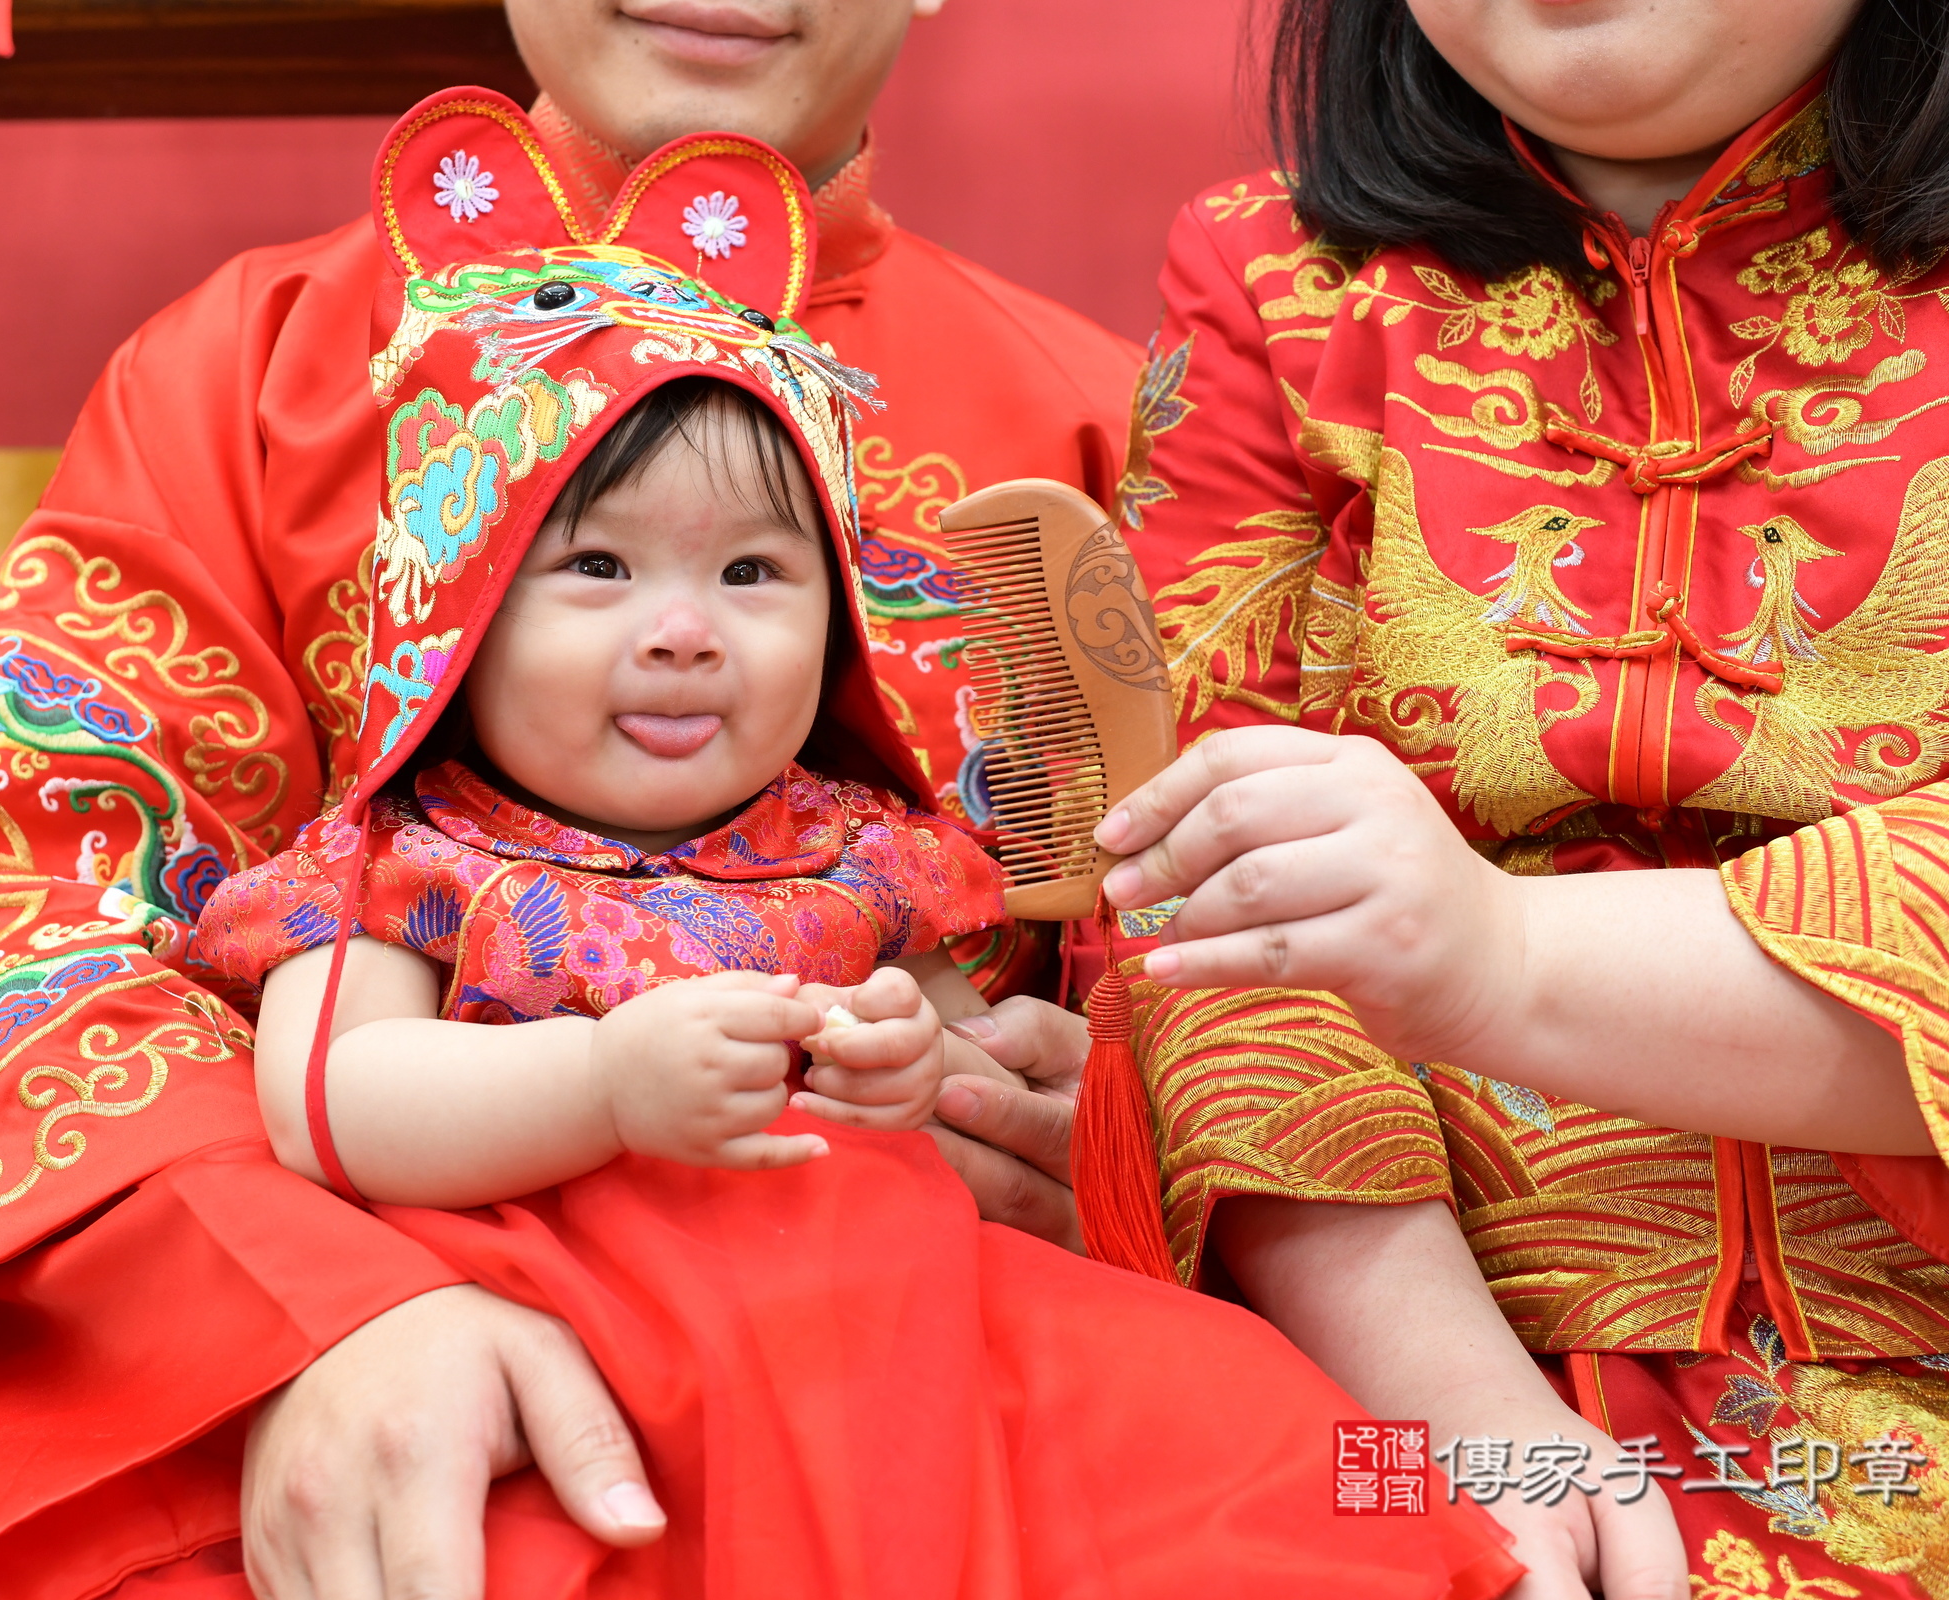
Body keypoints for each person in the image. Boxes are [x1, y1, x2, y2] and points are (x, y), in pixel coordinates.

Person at [0, 4, 1140, 1596]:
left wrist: (1129, 1144)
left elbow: (1247, 982)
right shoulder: (240, 375)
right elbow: (27, 896)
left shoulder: (1114, 426)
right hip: (378, 1347)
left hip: (955, 1359)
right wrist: (316, 1320)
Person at [180, 163, 1519, 1590]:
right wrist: (602, 1089)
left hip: (916, 1319)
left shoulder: (858, 850)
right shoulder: (416, 865)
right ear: (458, 611)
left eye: (754, 575)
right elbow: (330, 1106)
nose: (686, 631)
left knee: (1244, 1437)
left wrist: (907, 1060)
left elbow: (957, 1060)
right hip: (607, 1329)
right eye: (597, 569)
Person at [942, 0, 1949, 1596]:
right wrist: (1461, 1416)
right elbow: (1180, 888)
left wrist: (1501, 958)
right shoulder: (1271, 281)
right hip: (1397, 1362)